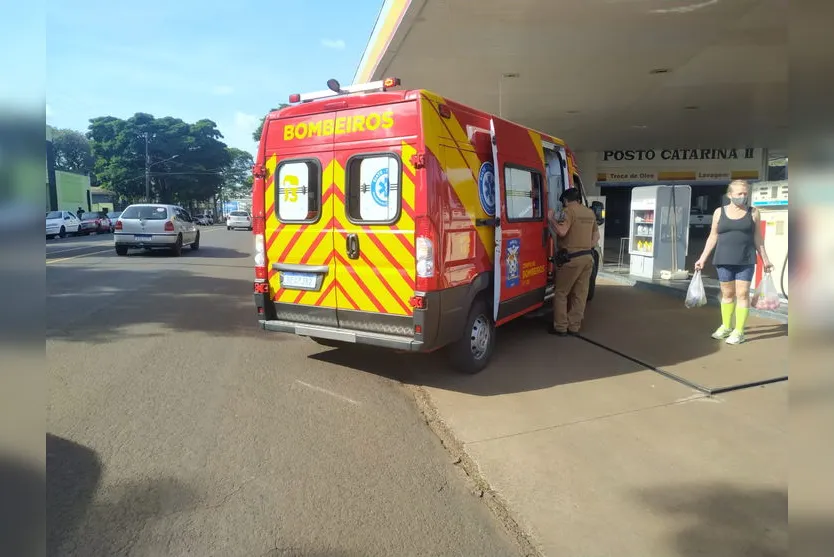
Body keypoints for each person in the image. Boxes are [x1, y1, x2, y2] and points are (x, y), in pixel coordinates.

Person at [695, 179, 773, 345]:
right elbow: (712, 236)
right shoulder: (719, 212)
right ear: (730, 195)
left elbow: (758, 238)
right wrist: (702, 258)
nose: (743, 197)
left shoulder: (753, 212)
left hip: (745, 259)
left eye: (745, 194)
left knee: (742, 294)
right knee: (728, 294)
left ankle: (739, 331)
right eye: (739, 194)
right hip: (723, 259)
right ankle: (726, 326)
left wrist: (765, 259)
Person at [547, 187, 599, 336]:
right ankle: (574, 327)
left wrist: (551, 218)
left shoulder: (568, 211)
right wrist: (585, 247)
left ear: (565, 200)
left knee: (561, 292)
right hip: (588, 258)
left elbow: (562, 231)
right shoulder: (589, 213)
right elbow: (596, 237)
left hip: (571, 259)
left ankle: (561, 327)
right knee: (580, 294)